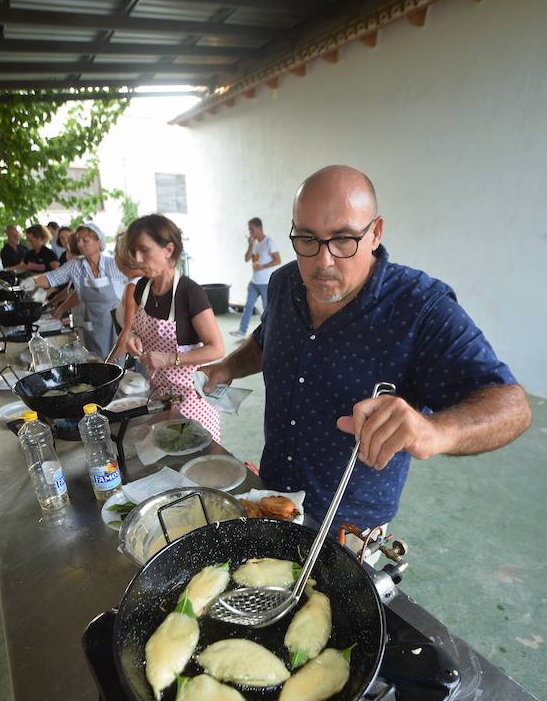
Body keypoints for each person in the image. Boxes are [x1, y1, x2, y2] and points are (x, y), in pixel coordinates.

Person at [202, 165, 531, 532]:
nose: (322, 261)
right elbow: (266, 341)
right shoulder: (283, 283)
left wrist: (435, 431)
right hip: (272, 496)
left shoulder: (420, 308)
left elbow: (512, 406)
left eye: (343, 239)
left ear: (375, 233)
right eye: (307, 239)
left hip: (350, 527)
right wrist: (229, 366)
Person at [114, 214, 224, 441]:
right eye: (134, 251)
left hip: (192, 401)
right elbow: (135, 326)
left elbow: (216, 349)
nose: (137, 258)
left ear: (168, 249)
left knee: (194, 460)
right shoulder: (142, 288)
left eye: (144, 250)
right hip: (161, 396)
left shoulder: (189, 293)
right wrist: (133, 335)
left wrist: (168, 359)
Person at [23, 221, 127, 360]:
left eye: (86, 240)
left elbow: (135, 286)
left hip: (115, 328)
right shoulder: (75, 265)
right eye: (78, 241)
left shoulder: (113, 264)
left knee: (116, 367)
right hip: (91, 327)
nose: (80, 244)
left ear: (99, 242)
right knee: (94, 363)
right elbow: (53, 277)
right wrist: (32, 281)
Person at [230, 217, 281, 339]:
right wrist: (250, 245)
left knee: (267, 309)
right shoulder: (255, 244)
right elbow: (247, 259)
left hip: (266, 283)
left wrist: (263, 266)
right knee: (248, 306)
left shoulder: (269, 242)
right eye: (249, 229)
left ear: (260, 228)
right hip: (254, 283)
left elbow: (278, 260)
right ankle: (242, 331)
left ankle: (271, 333)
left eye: (251, 229)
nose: (250, 232)